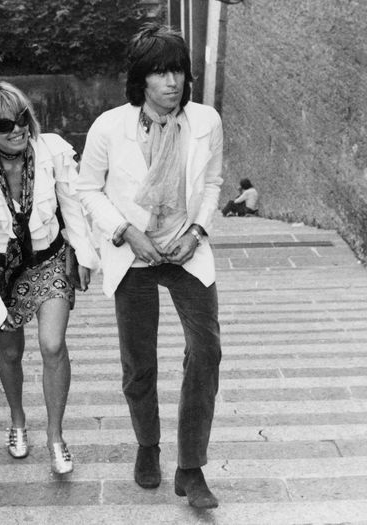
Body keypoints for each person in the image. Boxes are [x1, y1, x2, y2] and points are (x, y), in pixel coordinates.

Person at [76, 24, 223, 509]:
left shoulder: (205, 121)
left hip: (185, 248)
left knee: (206, 351)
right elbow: (87, 189)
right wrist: (124, 231)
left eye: (178, 70)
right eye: (160, 72)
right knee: (139, 361)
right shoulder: (108, 126)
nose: (172, 81)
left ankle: (191, 466)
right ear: (141, 80)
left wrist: (198, 232)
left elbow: (215, 182)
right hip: (131, 251)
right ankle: (147, 446)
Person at [0, 81, 100, 474]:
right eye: (3, 124)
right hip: (2, 270)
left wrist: (83, 253)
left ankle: (56, 437)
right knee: (11, 352)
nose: (16, 130)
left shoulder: (53, 151)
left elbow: (73, 204)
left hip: (49, 260)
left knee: (52, 345)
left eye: (21, 120)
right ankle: (17, 421)